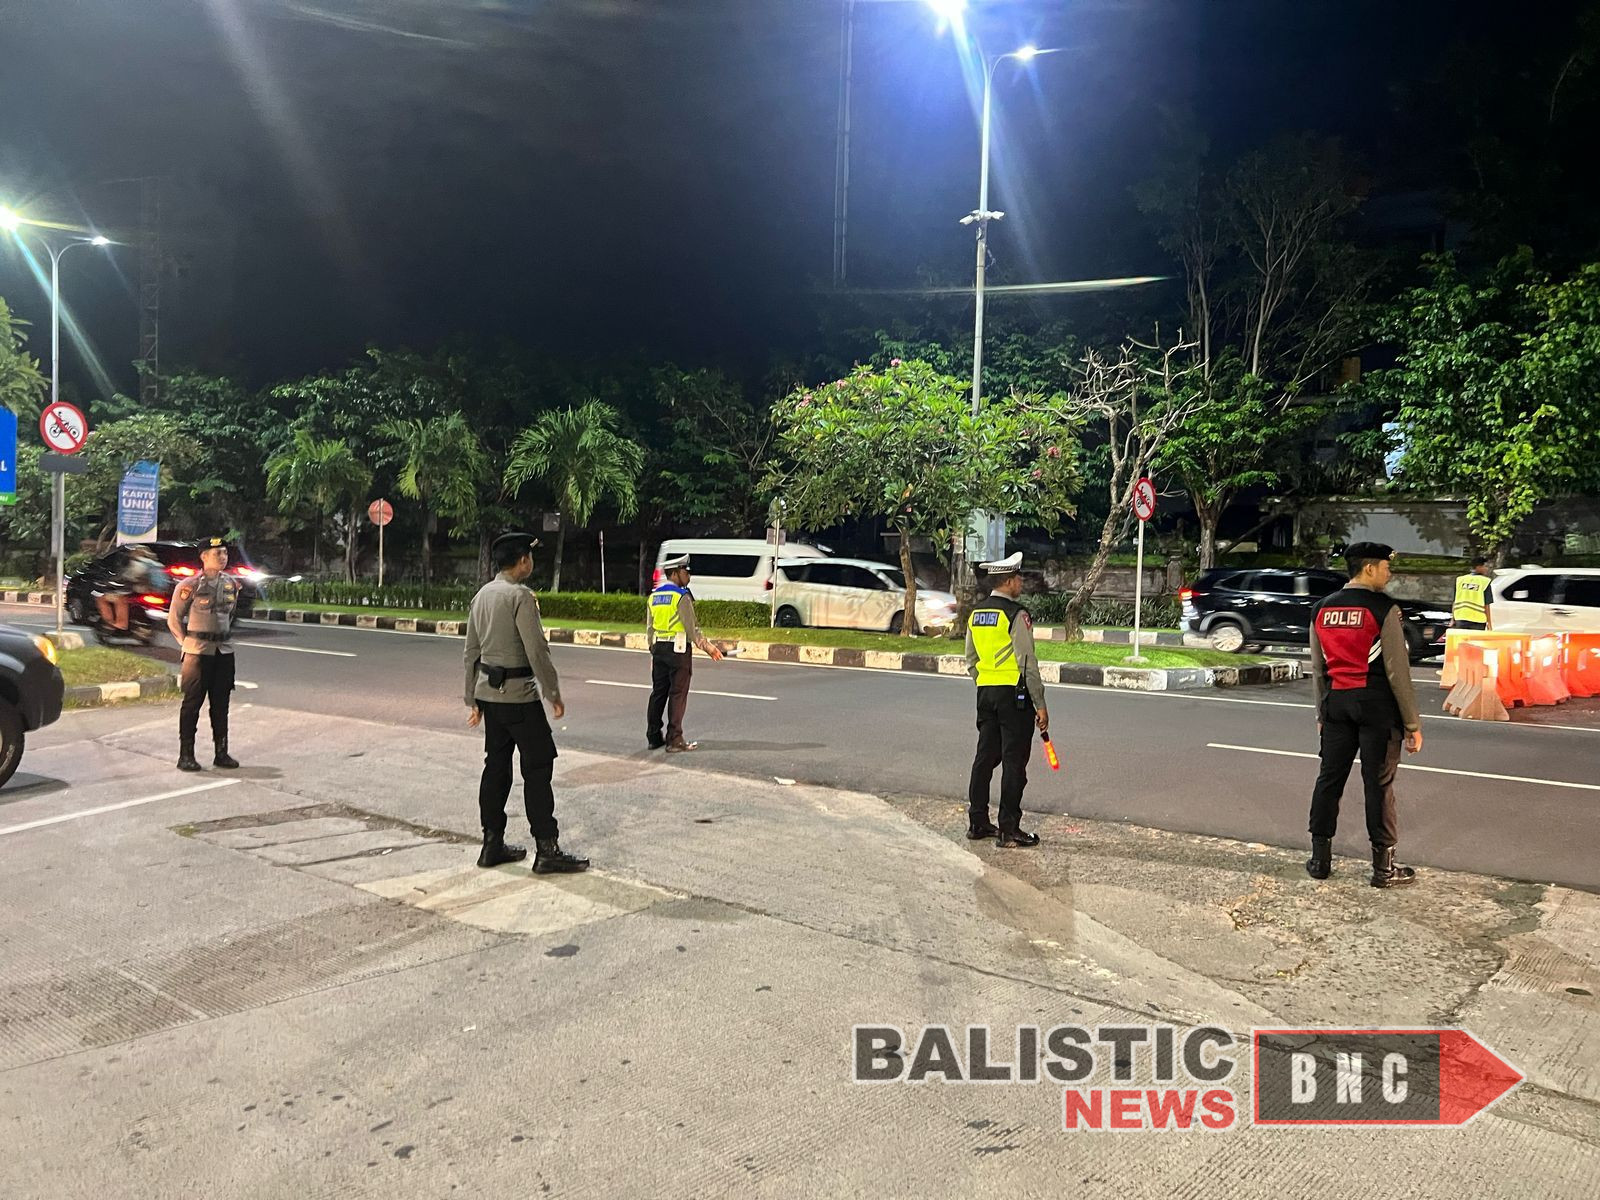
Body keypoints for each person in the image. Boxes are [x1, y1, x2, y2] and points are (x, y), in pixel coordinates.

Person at [464, 532, 588, 874]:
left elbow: (470, 652)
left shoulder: (481, 595)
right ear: (522, 561)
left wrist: (472, 699)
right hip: (520, 697)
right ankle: (547, 849)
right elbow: (536, 650)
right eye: (530, 557)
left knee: (496, 767)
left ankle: (491, 844)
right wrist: (553, 692)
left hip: (490, 697)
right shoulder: (520, 596)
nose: (531, 562)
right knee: (538, 768)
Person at [1306, 541, 1425, 888]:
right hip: (1376, 707)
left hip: (1336, 704)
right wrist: (1412, 724)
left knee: (1329, 780)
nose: (1390, 574)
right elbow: (1397, 672)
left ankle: (1320, 861)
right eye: (1386, 568)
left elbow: (1318, 669)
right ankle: (1383, 870)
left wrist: (1321, 713)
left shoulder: (1321, 609)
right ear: (1370, 568)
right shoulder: (1383, 609)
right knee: (1379, 784)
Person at [964, 551, 1048, 848]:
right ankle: (1009, 829)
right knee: (1014, 762)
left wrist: (985, 681)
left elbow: (971, 659)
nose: (1021, 582)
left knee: (985, 759)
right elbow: (1027, 662)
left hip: (985, 692)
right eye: (1019, 578)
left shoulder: (976, 613)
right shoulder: (1016, 614)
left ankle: (977, 822)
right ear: (1009, 581)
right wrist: (1040, 704)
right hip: (1014, 694)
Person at [167, 538, 241, 772]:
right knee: (192, 704)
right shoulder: (189, 585)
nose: (223, 557)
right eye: (217, 553)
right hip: (197, 653)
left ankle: (222, 753)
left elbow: (230, 615)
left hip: (223, 651)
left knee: (221, 705)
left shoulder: (231, 584)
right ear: (203, 557)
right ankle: (186, 755)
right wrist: (185, 643)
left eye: (225, 553)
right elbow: (174, 619)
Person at [645, 554, 724, 753]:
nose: (688, 576)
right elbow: (692, 629)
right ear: (674, 573)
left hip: (658, 649)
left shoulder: (654, 596)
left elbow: (650, 629)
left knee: (658, 693)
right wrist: (709, 648)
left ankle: (653, 736)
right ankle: (675, 740)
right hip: (678, 651)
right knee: (677, 694)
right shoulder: (681, 597)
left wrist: (653, 651)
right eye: (685, 572)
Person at [94, 544, 159, 632]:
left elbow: (127, 579)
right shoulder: (156, 564)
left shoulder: (137, 564)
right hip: (155, 592)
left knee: (103, 598)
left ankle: (114, 623)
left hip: (140, 591)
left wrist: (112, 583)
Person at [1451, 555, 1495, 630]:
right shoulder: (1485, 581)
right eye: (1485, 566)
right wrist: (1489, 623)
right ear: (1478, 567)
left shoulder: (1460, 580)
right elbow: (1486, 605)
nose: (1487, 569)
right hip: (1478, 620)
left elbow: (1455, 601)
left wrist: (1453, 619)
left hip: (1461, 618)